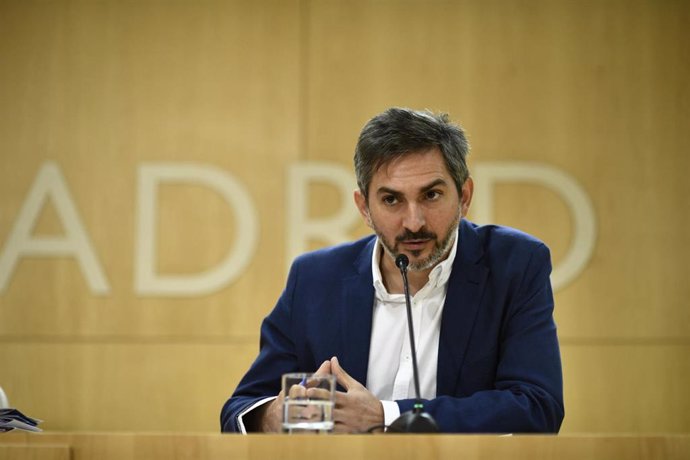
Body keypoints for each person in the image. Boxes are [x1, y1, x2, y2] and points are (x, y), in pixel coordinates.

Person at [220, 107, 564, 433]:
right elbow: (242, 407)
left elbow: (537, 407)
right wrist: (273, 416)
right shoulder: (314, 279)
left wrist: (387, 416)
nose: (414, 223)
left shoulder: (514, 265)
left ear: (464, 196)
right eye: (391, 200)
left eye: (431, 195)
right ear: (363, 207)